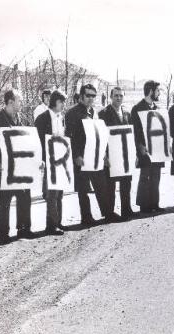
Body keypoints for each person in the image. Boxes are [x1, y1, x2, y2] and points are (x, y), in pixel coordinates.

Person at [0, 89, 36, 242]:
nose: (22, 103)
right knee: (4, 201)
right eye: (19, 100)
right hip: (5, 168)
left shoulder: (21, 119)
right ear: (10, 102)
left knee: (24, 197)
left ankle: (23, 229)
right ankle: (3, 233)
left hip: (20, 167)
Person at [65, 83, 116, 225]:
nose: (91, 99)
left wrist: (104, 154)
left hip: (95, 155)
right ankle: (86, 217)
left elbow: (98, 134)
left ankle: (108, 213)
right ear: (81, 96)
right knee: (83, 190)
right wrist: (76, 156)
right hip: (81, 157)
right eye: (88, 95)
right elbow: (69, 137)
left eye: (93, 96)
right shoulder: (72, 113)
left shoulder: (93, 112)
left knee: (101, 186)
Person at [98, 86, 135, 220]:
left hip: (124, 154)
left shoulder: (127, 113)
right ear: (110, 97)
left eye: (121, 95)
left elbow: (131, 136)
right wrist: (104, 155)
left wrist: (133, 154)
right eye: (116, 95)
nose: (118, 98)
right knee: (110, 185)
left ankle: (127, 209)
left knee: (126, 182)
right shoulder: (103, 113)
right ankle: (110, 212)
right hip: (110, 154)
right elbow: (100, 137)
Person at [34, 89, 67, 235]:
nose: (63, 105)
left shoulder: (61, 118)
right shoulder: (42, 118)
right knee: (51, 193)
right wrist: (41, 159)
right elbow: (38, 141)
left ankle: (58, 221)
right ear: (55, 102)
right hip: (48, 159)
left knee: (60, 192)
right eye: (62, 102)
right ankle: (51, 225)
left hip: (60, 160)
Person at [130, 80, 165, 213]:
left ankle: (154, 203)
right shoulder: (137, 108)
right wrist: (139, 146)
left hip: (157, 148)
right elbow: (136, 130)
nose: (159, 93)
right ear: (151, 91)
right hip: (144, 148)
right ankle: (144, 204)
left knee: (156, 175)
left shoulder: (157, 108)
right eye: (157, 91)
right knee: (145, 176)